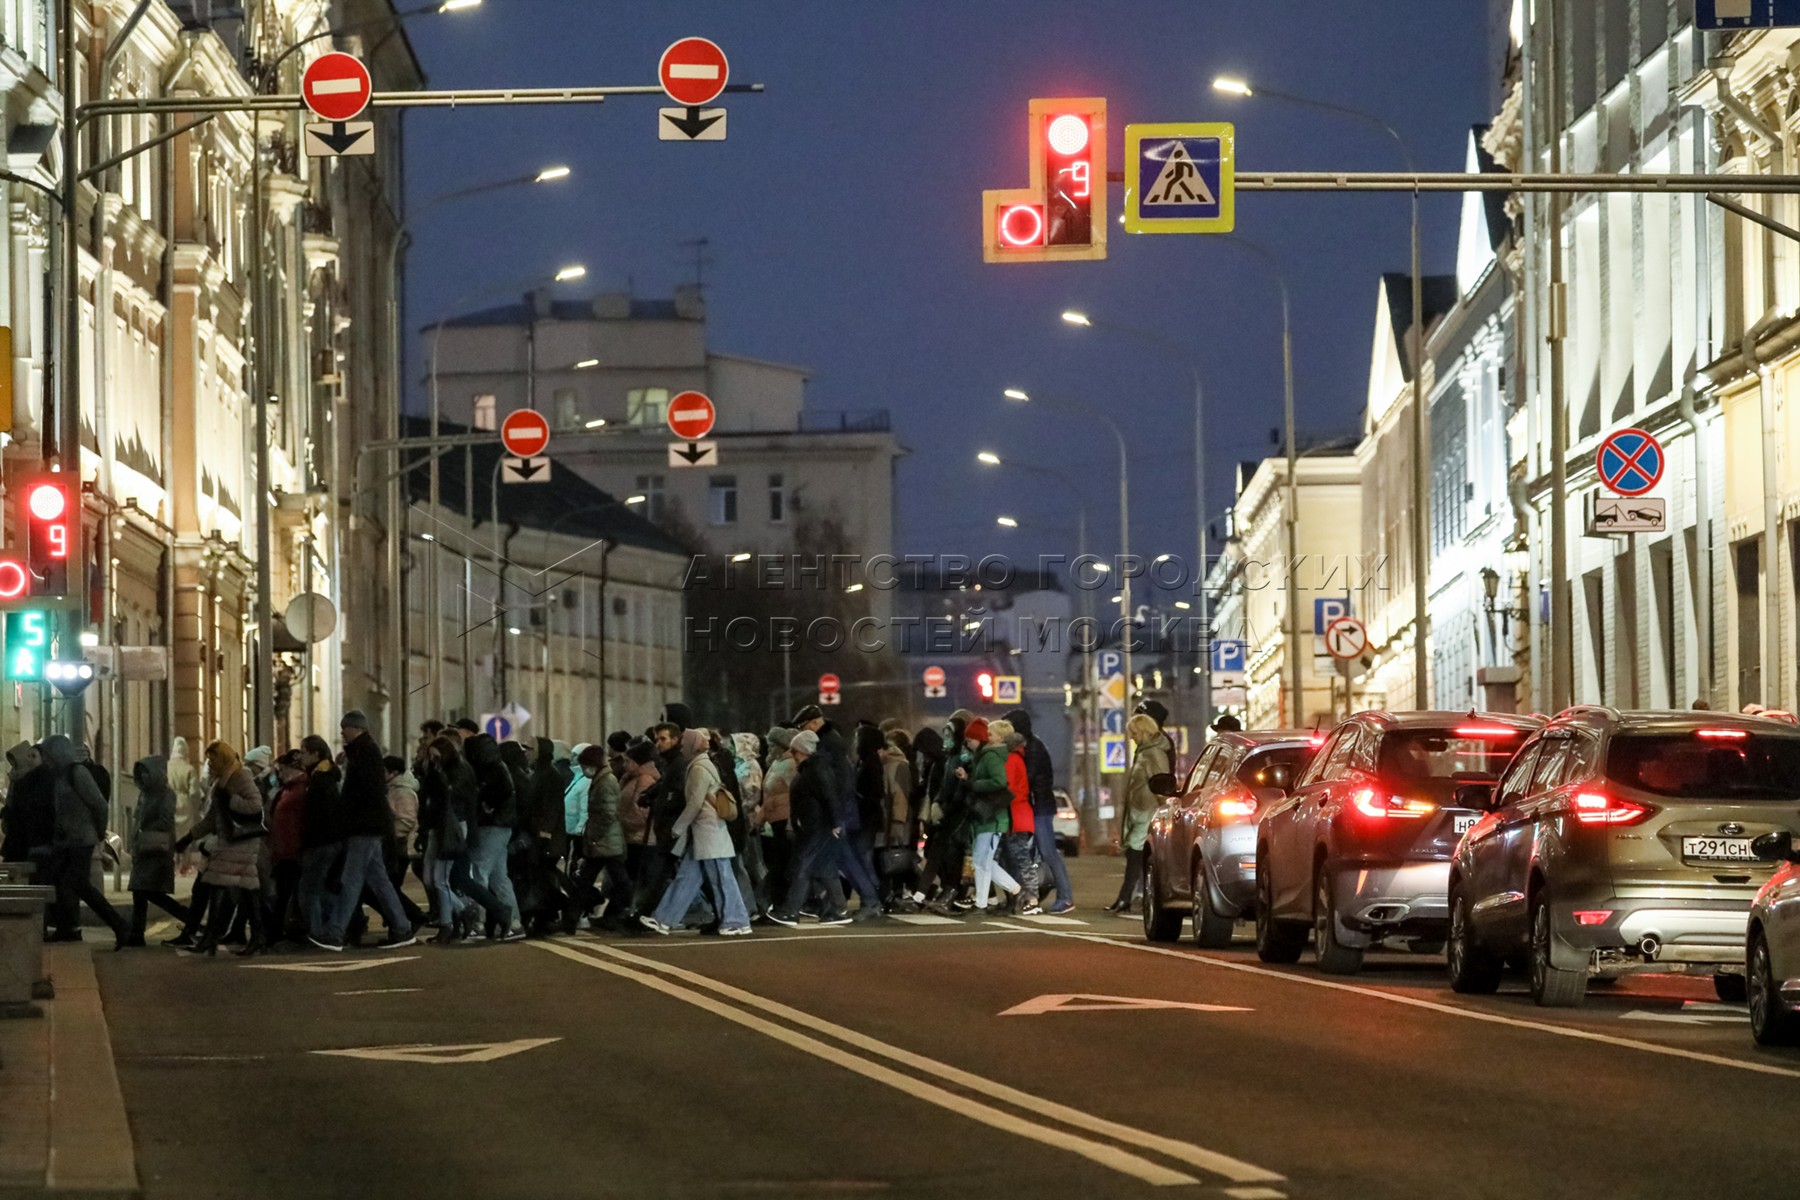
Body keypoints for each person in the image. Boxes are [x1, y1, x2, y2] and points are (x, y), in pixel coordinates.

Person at [311, 710, 416, 952]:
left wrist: (347, 815)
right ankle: (402, 928)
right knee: (379, 880)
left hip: (365, 826)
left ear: (356, 728)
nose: (341, 732)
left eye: (344, 728)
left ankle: (336, 932)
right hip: (368, 825)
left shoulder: (366, 753)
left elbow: (363, 792)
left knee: (351, 880)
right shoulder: (364, 751)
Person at [641, 729, 752, 936]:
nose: (681, 748)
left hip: (709, 833)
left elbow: (694, 803)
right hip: (704, 835)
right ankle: (663, 919)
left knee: (721, 878)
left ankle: (737, 920)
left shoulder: (699, 768)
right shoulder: (701, 765)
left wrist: (677, 829)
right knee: (687, 878)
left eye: (684, 744)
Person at [41, 734, 130, 947]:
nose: (47, 760)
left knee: (78, 884)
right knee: (62, 883)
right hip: (66, 841)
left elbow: (99, 804)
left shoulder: (77, 773)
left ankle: (118, 924)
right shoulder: (59, 776)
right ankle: (67, 928)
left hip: (81, 839)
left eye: (48, 755)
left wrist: (99, 832)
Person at [186, 741, 268, 957]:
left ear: (222, 758)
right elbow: (213, 818)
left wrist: (232, 799)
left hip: (242, 841)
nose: (210, 763)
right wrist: (189, 837)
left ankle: (210, 939)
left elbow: (255, 805)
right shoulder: (219, 782)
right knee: (244, 889)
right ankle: (255, 937)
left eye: (213, 758)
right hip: (230, 841)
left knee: (218, 885)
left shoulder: (241, 776)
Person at [764, 730, 851, 927]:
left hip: (817, 826)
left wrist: (836, 822)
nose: (793, 756)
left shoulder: (816, 769)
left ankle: (790, 911)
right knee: (824, 868)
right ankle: (839, 908)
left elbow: (829, 796)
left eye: (795, 752)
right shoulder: (814, 768)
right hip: (817, 825)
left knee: (802, 866)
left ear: (804, 751)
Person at [1005, 707, 1072, 913]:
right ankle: (1024, 896)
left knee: (1047, 851)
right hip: (1033, 806)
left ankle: (1065, 897)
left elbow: (1028, 778)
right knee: (1024, 853)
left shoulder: (1033, 748)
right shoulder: (1028, 746)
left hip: (1040, 806)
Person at [464, 734, 525, 941]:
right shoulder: (500, 767)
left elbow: (493, 795)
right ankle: (514, 923)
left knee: (479, 873)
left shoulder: (491, 771)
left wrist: (485, 806)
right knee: (500, 878)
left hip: (493, 826)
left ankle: (478, 923)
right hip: (502, 826)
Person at [122, 755, 187, 947]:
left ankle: (187, 917)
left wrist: (146, 833)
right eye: (141, 773)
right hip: (143, 849)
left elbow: (166, 820)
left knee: (150, 893)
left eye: (147, 772)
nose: (144, 776)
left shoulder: (166, 794)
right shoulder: (144, 793)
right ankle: (137, 934)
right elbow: (137, 817)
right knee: (140, 892)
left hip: (157, 850)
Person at [1110, 712, 1170, 913]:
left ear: (1143, 732)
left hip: (1147, 813)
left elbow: (1162, 785)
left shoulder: (1153, 754)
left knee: (1135, 855)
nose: (1131, 737)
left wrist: (1164, 812)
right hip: (1139, 813)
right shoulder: (1144, 752)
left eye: (1134, 733)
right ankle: (1137, 897)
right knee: (1137, 857)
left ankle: (1125, 897)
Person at [963, 719, 1020, 912]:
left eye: (990, 734)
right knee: (983, 860)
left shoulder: (991, 757)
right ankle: (1014, 889)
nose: (987, 737)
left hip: (992, 817)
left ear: (1000, 737)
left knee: (981, 861)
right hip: (988, 817)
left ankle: (981, 903)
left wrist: (972, 783)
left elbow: (998, 782)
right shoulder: (988, 756)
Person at [296, 734, 346, 944]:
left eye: (304, 752)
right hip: (326, 841)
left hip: (321, 842)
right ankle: (333, 925)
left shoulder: (321, 778)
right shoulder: (320, 775)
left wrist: (309, 840)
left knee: (309, 891)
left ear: (315, 754)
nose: (301, 757)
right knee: (319, 889)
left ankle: (318, 932)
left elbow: (321, 814)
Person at [574, 744, 629, 930]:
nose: (583, 771)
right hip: (605, 841)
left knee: (612, 881)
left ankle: (574, 918)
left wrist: (594, 836)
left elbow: (607, 814)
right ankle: (613, 914)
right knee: (608, 881)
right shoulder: (602, 779)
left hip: (604, 841)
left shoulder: (605, 782)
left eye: (584, 766)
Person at [382, 755, 429, 931]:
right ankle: (403, 919)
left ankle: (412, 916)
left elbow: (407, 820)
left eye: (384, 771)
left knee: (390, 887)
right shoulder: (393, 788)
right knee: (390, 887)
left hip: (400, 847)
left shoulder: (402, 791)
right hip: (396, 845)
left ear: (393, 772)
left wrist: (391, 835)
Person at [267, 751, 308, 943]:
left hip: (293, 850)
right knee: (282, 894)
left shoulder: (302, 788)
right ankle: (278, 931)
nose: (279, 774)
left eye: (282, 770)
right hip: (282, 850)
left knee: (285, 894)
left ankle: (278, 932)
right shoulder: (287, 789)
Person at [1002, 724, 1042, 915]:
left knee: (1019, 859)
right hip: (1020, 816)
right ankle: (1024, 897)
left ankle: (1031, 898)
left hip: (1015, 817)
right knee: (1018, 859)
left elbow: (1007, 789)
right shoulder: (1019, 758)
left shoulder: (1011, 759)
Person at [758, 727, 795, 910]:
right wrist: (760, 820)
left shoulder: (790, 764)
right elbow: (768, 795)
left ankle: (780, 904)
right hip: (773, 822)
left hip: (784, 821)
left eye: (772, 745)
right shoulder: (776, 763)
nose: (769, 748)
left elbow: (794, 795)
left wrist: (790, 824)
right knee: (777, 864)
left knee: (779, 865)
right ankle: (777, 903)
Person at [1, 741, 52, 871]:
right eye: (27, 756)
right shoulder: (18, 777)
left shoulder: (40, 780)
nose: (29, 759)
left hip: (30, 837)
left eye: (33, 756)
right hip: (19, 834)